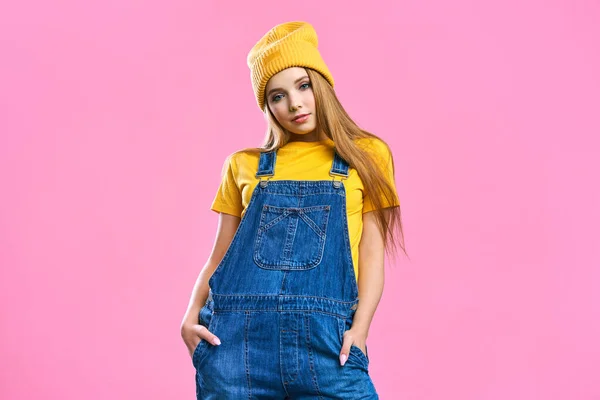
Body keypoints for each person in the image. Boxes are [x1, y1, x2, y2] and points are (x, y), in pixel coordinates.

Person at [180, 21, 406, 399]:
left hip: (328, 348)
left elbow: (372, 252)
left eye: (303, 86)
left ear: (322, 85)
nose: (295, 104)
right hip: (237, 351)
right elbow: (220, 255)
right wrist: (189, 318)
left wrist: (360, 330)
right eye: (277, 96)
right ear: (267, 107)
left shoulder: (368, 156)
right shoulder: (244, 165)